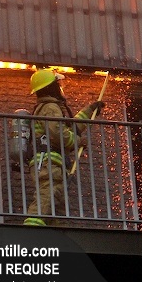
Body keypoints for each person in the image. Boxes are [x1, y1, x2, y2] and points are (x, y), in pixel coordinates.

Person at [23, 69, 104, 227]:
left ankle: (53, 232)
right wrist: (77, 141)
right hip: (48, 162)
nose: (60, 88)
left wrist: (89, 110)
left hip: (50, 163)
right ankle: (31, 229)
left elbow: (70, 128)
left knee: (56, 199)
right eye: (57, 84)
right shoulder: (50, 107)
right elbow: (58, 133)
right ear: (51, 88)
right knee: (48, 193)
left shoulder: (50, 108)